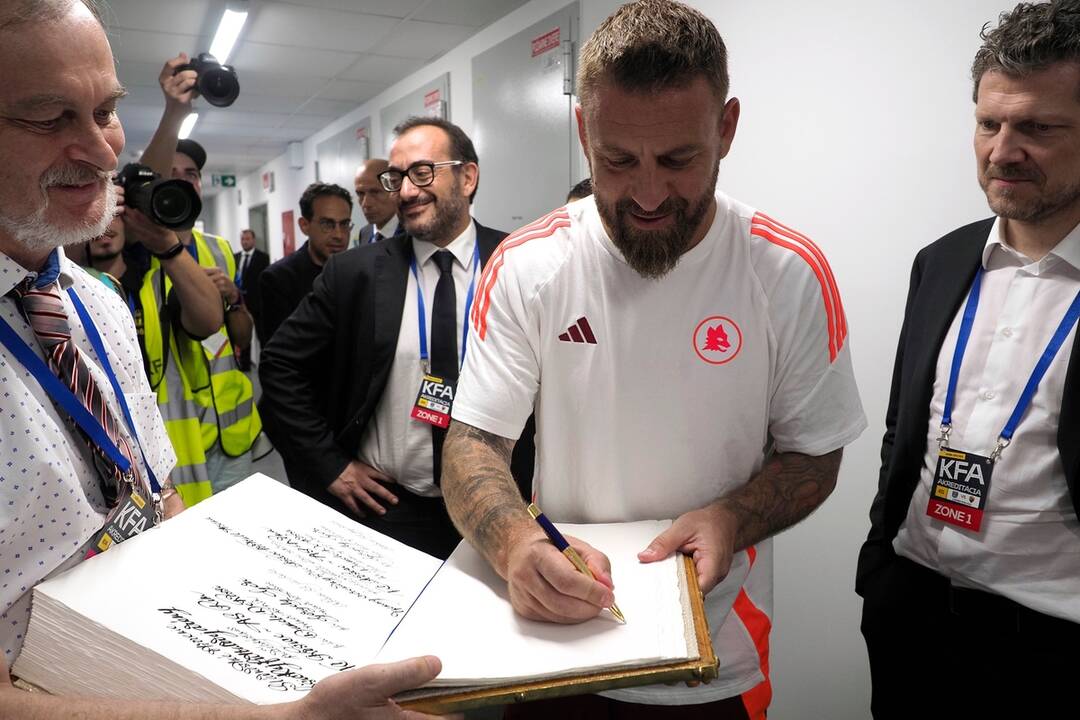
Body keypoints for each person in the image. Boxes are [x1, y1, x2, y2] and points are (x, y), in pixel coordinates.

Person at [0, 2, 449, 718]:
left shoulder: (95, 303)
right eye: (51, 117)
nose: (104, 150)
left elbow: (155, 498)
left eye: (107, 110)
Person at [440, 1, 867, 717]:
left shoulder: (786, 273)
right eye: (616, 160)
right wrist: (514, 543)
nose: (645, 193)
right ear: (583, 131)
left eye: (678, 160)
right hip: (555, 654)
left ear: (725, 129)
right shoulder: (527, 265)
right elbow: (474, 443)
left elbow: (815, 455)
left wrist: (734, 516)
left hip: (717, 659)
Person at [856, 1, 1080, 715]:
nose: (1003, 150)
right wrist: (880, 565)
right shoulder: (943, 261)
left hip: (1053, 648)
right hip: (912, 615)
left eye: (1039, 128)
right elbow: (903, 428)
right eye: (990, 123)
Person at [260, 117, 534, 560]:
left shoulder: (519, 264)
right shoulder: (355, 273)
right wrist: (331, 464)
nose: (405, 191)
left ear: (468, 177)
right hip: (389, 512)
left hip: (502, 510)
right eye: (397, 177)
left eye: (423, 172)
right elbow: (279, 366)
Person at [135, 55, 263, 505]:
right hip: (174, 441)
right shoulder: (140, 250)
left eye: (191, 174)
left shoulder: (219, 249)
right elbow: (140, 190)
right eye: (171, 176)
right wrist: (176, 112)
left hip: (234, 432)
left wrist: (232, 301)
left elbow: (241, 337)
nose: (184, 182)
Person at [258, 183, 353, 343]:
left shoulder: (358, 273)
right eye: (327, 224)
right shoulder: (278, 279)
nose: (339, 235)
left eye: (344, 224)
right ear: (304, 225)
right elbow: (279, 351)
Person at [234, 228, 269, 369]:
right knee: (243, 334)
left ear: (253, 240)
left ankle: (266, 363)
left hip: (257, 303)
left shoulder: (262, 257)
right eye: (243, 239)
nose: (245, 241)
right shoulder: (235, 257)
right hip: (240, 303)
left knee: (262, 336)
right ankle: (244, 364)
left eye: (247, 239)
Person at [354, 158, 405, 245]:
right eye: (360, 194)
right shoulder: (365, 233)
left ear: (395, 190)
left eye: (375, 192)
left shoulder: (414, 234)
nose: (366, 204)